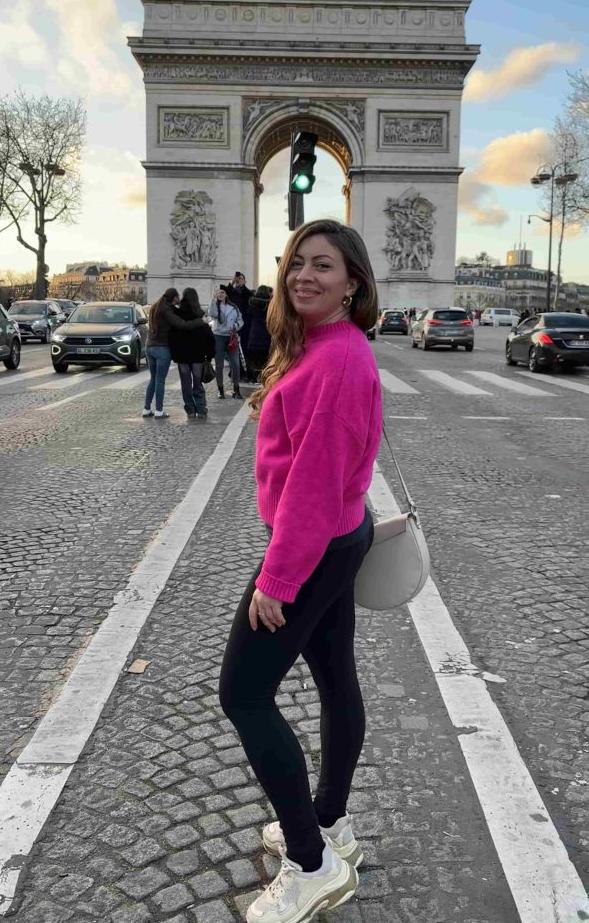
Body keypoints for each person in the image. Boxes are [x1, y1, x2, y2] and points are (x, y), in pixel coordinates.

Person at [219, 219, 382, 923]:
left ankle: (312, 865)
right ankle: (332, 821)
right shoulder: (320, 346)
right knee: (335, 675)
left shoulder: (339, 358)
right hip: (335, 536)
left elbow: (313, 483)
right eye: (295, 264)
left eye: (323, 265)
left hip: (311, 546)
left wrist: (277, 580)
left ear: (354, 281)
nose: (303, 276)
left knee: (244, 694)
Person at [143, 288, 204, 418]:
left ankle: (146, 409)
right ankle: (159, 411)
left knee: (153, 379)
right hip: (162, 348)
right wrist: (200, 321)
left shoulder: (155, 307)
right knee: (160, 380)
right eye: (178, 296)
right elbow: (182, 324)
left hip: (149, 346)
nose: (179, 299)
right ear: (174, 297)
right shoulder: (167, 310)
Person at [169, 287, 215, 419]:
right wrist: (210, 354)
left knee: (186, 384)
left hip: (182, 355)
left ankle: (189, 409)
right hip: (197, 355)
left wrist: (174, 353)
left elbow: (172, 335)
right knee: (197, 382)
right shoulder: (200, 314)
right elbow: (209, 337)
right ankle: (201, 409)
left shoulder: (177, 314)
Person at [209, 286, 244, 399]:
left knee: (235, 364)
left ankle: (236, 389)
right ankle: (220, 390)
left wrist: (235, 326)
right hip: (218, 336)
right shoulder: (215, 306)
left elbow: (240, 320)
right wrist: (213, 300)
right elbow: (212, 314)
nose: (220, 294)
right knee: (219, 365)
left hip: (231, 337)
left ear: (226, 294)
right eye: (218, 293)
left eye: (222, 292)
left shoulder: (233, 307)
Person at [246, 285, 273, 383]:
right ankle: (264, 378)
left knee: (253, 360)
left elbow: (247, 320)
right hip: (267, 336)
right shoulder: (271, 305)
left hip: (254, 336)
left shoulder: (252, 305)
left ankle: (254, 378)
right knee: (265, 360)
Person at [228, 271, 254, 368]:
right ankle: (235, 369)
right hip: (232, 323)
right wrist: (232, 282)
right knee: (232, 347)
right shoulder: (232, 292)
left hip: (245, 324)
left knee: (243, 346)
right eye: (238, 279)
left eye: (241, 279)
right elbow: (225, 292)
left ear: (245, 281)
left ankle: (244, 369)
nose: (239, 280)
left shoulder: (249, 293)